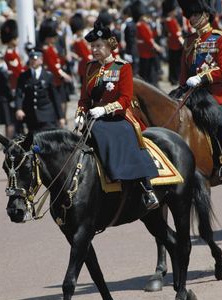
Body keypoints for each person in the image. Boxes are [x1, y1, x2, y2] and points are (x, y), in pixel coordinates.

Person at [74, 20, 159, 210]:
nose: (94, 50)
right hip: (93, 117)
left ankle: (147, 187)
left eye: (98, 46)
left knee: (125, 135)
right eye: (92, 46)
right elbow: (84, 99)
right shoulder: (90, 68)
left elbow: (125, 99)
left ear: (109, 45)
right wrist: (80, 113)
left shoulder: (122, 67)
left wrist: (104, 109)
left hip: (118, 115)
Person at [178, 0, 222, 183]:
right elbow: (183, 73)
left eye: (194, 15)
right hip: (191, 91)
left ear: (206, 15)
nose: (191, 19)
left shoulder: (219, 38)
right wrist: (181, 88)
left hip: (212, 92)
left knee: (219, 116)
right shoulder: (189, 41)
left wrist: (202, 77)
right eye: (189, 15)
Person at [15, 50, 65, 134]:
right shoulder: (24, 76)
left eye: (35, 59)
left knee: (48, 140)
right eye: (31, 59)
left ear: (41, 60)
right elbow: (19, 94)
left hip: (47, 114)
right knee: (34, 143)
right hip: (31, 115)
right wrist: (19, 109)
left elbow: (55, 97)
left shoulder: (48, 76)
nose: (32, 61)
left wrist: (61, 117)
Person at [130, 0, 163, 87]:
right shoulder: (140, 25)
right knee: (146, 71)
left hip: (148, 51)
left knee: (149, 70)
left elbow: (151, 36)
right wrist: (156, 46)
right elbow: (148, 39)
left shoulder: (144, 24)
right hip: (145, 51)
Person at [162, 0, 184, 85]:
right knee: (174, 63)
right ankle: (174, 79)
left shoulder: (172, 20)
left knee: (174, 63)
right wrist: (183, 43)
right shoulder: (169, 20)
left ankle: (174, 78)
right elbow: (176, 34)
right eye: (174, 10)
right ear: (170, 11)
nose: (175, 11)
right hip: (175, 44)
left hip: (174, 44)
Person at [0, 50, 15, 139]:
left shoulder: (1, 70)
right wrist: (12, 98)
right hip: (4, 99)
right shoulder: (2, 71)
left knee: (8, 121)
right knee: (8, 121)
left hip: (4, 99)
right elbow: (7, 87)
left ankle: (8, 139)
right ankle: (8, 140)